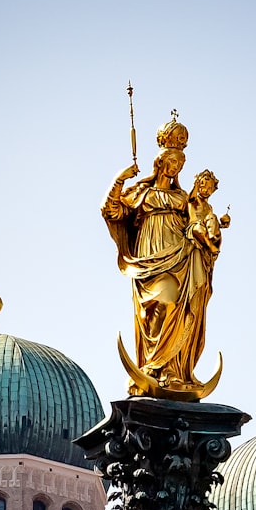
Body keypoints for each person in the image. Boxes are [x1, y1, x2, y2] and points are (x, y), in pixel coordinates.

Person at [101, 139, 224, 395]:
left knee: (182, 306)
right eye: (171, 160)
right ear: (160, 161)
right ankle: (153, 366)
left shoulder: (183, 197)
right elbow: (111, 210)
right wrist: (119, 180)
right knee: (160, 304)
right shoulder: (141, 193)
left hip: (180, 254)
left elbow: (197, 220)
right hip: (150, 256)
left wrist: (211, 227)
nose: (175, 166)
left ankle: (174, 371)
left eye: (180, 162)